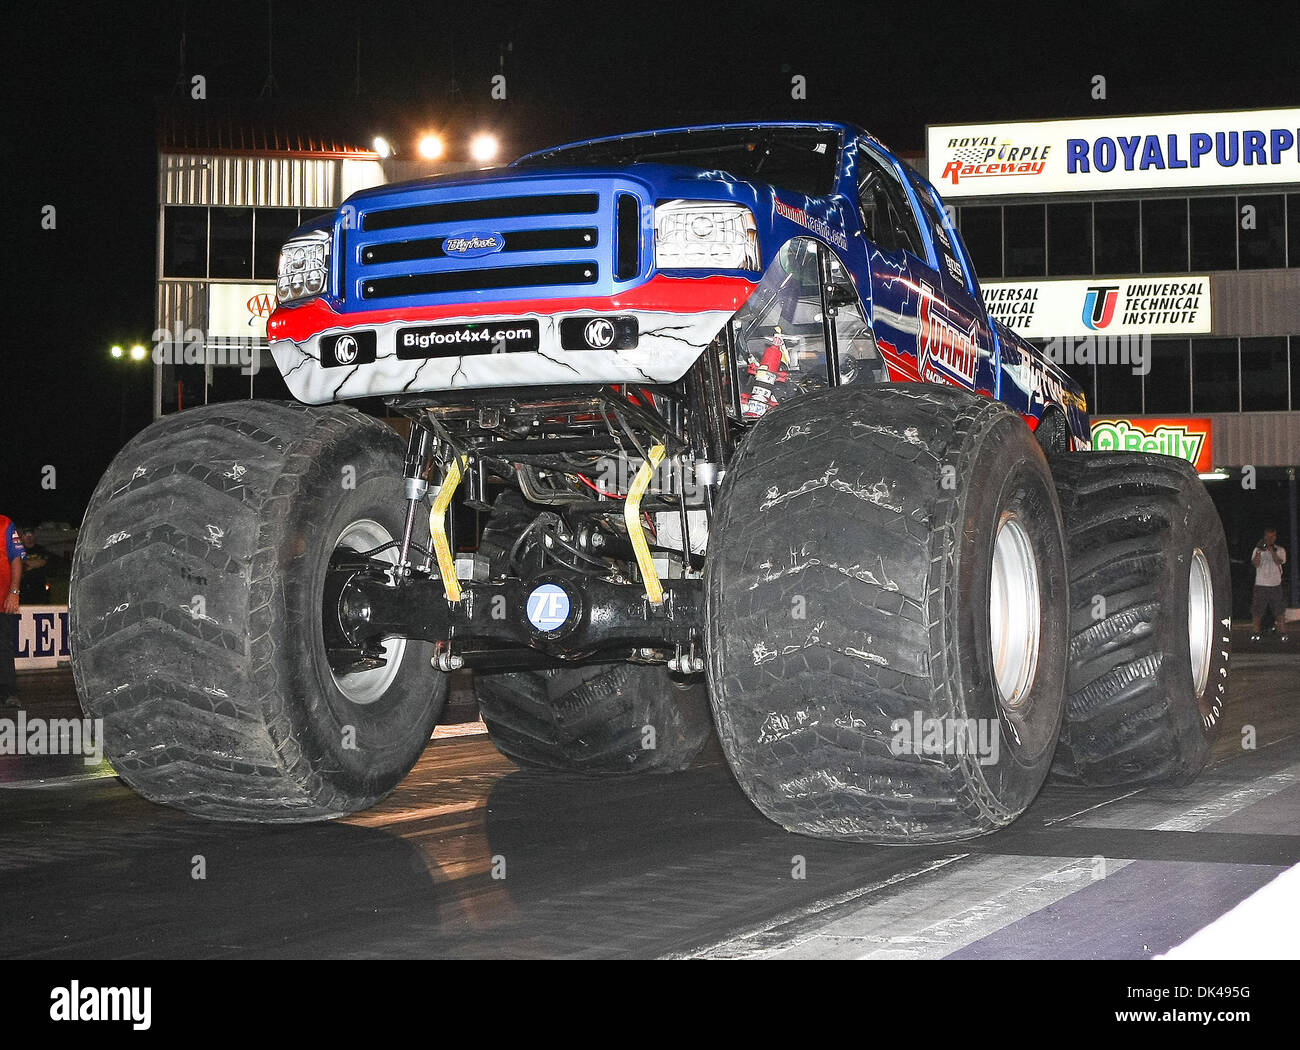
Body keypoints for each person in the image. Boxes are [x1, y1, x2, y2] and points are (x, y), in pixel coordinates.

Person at [0, 513, 25, 706]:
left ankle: (8, 692)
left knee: (4, 645)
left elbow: (16, 559)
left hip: (2, 600)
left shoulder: (5, 523)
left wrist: (14, 592)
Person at [1250, 527, 1289, 643]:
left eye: (1272, 537)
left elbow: (1279, 561)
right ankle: (1256, 633)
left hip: (1275, 585)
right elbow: (1255, 564)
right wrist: (1259, 552)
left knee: (1279, 610)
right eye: (1267, 537)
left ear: (1275, 537)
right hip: (1261, 585)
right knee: (1257, 611)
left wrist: (1271, 550)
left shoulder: (1280, 550)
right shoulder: (1258, 549)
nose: (1269, 539)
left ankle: (1282, 632)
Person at [17, 526, 52, 604]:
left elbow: (42, 562)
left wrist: (26, 564)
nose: (28, 537)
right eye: (26, 535)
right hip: (23, 586)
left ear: (34, 536)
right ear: (22, 537)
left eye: (30, 535)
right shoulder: (18, 550)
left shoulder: (41, 549)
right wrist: (34, 564)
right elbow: (18, 564)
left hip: (39, 585)